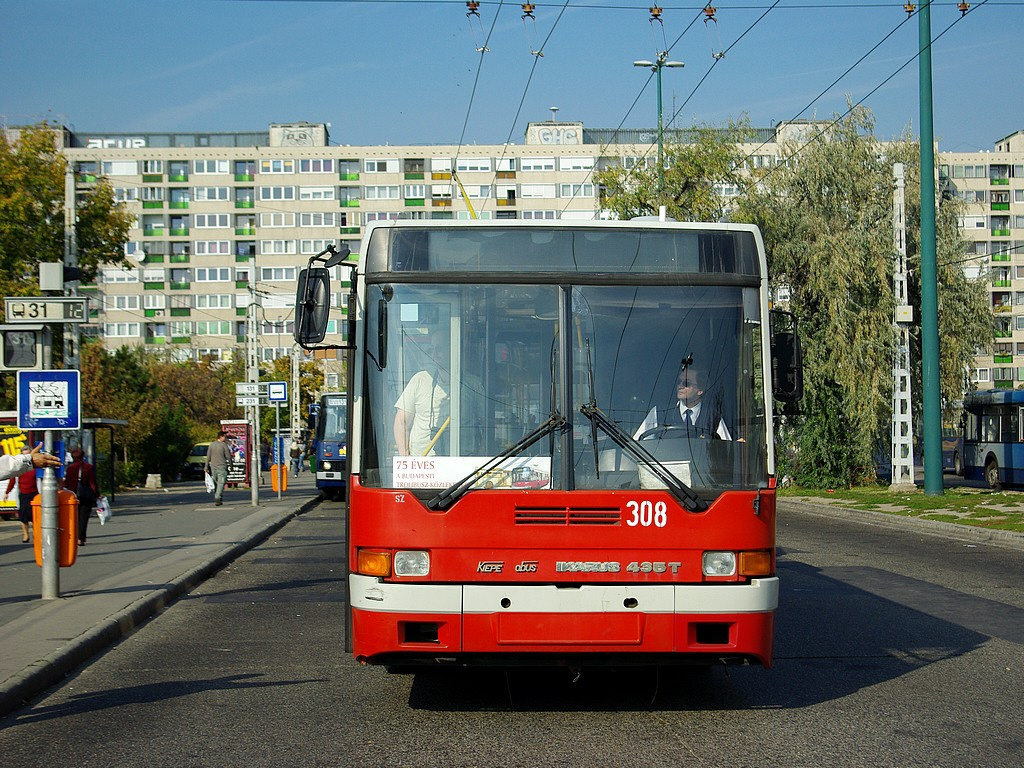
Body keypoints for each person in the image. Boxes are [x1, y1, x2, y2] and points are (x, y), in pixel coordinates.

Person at [634, 364, 735, 441]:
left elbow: (725, 449)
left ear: (700, 390)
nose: (680, 386)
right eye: (679, 382)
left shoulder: (713, 416)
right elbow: (638, 445)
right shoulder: (658, 412)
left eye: (686, 383)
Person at [393, 341, 449, 457]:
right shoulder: (419, 380)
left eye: (439, 348)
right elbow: (401, 421)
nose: (434, 354)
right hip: (422, 466)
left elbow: (486, 424)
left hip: (464, 463)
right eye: (432, 349)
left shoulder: (473, 385)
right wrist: (405, 459)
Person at [63, 447, 99, 546]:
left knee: (74, 517)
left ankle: (74, 537)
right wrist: (97, 495)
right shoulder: (88, 467)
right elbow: (92, 483)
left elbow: (66, 483)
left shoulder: (70, 468)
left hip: (73, 495)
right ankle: (81, 538)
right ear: (83, 456)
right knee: (83, 518)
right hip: (86, 496)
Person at [4, 448, 39, 543]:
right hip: (23, 494)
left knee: (34, 517)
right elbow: (12, 480)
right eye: (24, 456)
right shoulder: (19, 468)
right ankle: (26, 535)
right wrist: (7, 492)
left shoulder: (36, 468)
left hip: (35, 495)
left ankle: (36, 534)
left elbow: (41, 479)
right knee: (23, 517)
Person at [204, 431, 232, 506]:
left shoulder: (212, 445)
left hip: (213, 467)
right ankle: (218, 497)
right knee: (221, 483)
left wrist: (206, 466)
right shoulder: (224, 445)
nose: (226, 438)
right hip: (222, 466)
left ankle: (219, 497)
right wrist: (231, 465)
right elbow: (228, 456)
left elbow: (208, 456)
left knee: (216, 482)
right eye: (225, 437)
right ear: (221, 436)